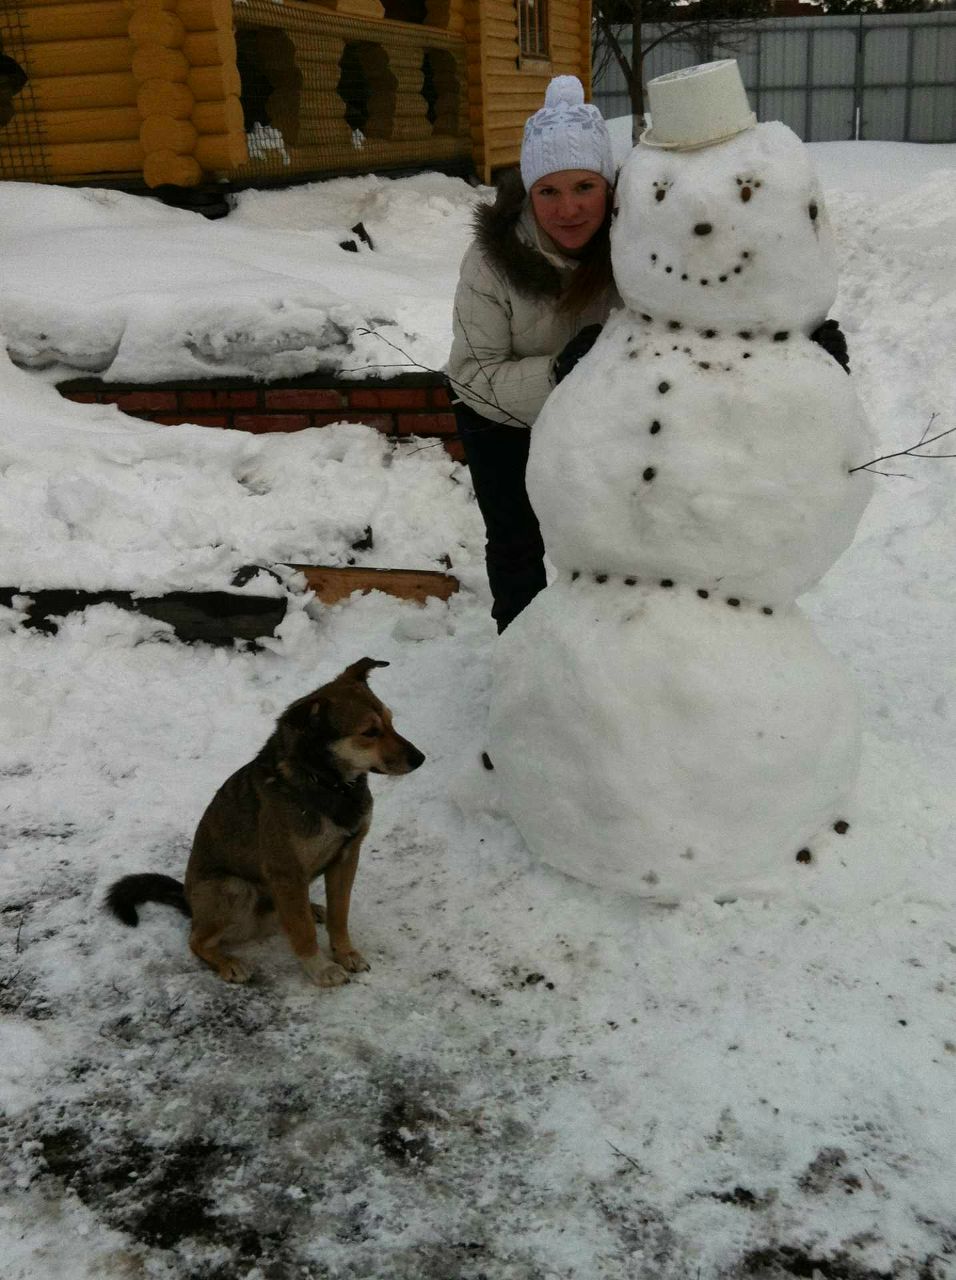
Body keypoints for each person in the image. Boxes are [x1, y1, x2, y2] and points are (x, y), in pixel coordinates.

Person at [447, 76, 617, 632]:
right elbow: (473, 377)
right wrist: (558, 373)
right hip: (500, 422)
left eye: (584, 187)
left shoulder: (639, 249)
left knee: (606, 541)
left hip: (598, 420)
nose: (569, 209)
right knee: (518, 545)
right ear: (528, 191)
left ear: (610, 187)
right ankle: (521, 662)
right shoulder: (491, 262)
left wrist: (795, 343)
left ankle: (605, 658)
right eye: (549, 191)